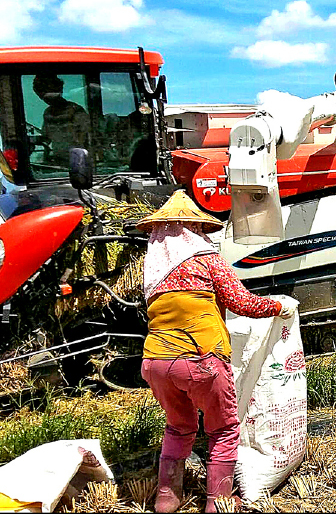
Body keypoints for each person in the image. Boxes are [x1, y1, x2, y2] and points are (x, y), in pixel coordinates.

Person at [135, 190, 298, 513]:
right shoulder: (207, 261)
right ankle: (218, 502)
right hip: (201, 359)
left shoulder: (153, 270)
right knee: (223, 429)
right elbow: (243, 303)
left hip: (155, 362)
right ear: (194, 231)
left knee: (179, 426)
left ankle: (167, 498)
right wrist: (279, 305)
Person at [31, 74, 91, 163]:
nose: (46, 99)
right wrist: (31, 140)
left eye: (50, 94)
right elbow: (46, 138)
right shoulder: (48, 113)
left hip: (77, 160)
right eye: (43, 96)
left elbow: (86, 138)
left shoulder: (75, 111)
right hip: (58, 161)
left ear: (59, 90)